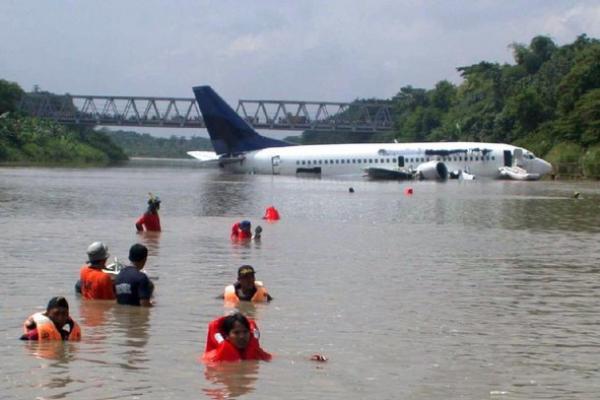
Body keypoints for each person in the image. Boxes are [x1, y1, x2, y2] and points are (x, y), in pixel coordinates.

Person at [202, 313, 271, 362]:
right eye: (236, 333)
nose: (242, 336)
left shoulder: (259, 354)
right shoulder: (211, 358)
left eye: (245, 332)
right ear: (226, 336)